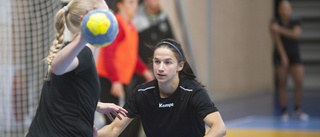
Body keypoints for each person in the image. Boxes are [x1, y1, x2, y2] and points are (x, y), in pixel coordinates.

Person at [26, 0, 128, 136]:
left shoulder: (79, 53)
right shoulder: (81, 52)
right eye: (105, 15)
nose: (111, 20)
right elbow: (56, 67)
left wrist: (96, 105)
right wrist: (82, 39)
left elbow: (67, 92)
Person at [96, 38, 226, 137]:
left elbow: (219, 126)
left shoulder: (193, 92)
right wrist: (90, 134)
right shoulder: (141, 93)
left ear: (180, 66)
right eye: (157, 62)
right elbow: (114, 129)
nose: (160, 68)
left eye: (168, 62)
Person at [95, 0, 154, 136]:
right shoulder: (117, 24)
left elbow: (131, 55)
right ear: (120, 4)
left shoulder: (131, 26)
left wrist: (144, 70)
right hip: (109, 80)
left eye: (136, 3)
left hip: (121, 81)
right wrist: (115, 80)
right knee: (115, 124)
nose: (135, 6)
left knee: (131, 117)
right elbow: (108, 54)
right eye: (131, 3)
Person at [270, 0, 309, 121]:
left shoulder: (295, 21)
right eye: (283, 8)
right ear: (279, 10)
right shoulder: (274, 22)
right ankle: (284, 111)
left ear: (290, 9)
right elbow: (276, 40)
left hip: (295, 55)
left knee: (299, 82)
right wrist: (283, 56)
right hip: (280, 56)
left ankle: (297, 109)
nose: (285, 10)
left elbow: (295, 34)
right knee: (282, 83)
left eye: (287, 8)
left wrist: (280, 30)